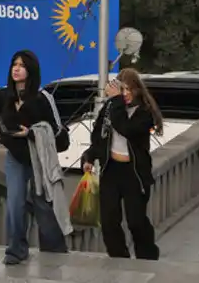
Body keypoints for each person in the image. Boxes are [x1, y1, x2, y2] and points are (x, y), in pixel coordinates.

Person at [0, 50, 69, 265]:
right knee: (14, 203)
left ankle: (53, 250)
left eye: (22, 65)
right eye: (14, 64)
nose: (16, 68)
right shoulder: (2, 96)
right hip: (15, 158)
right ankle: (16, 250)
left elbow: (57, 130)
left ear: (30, 70)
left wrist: (31, 133)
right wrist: (3, 139)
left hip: (39, 157)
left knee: (43, 203)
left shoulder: (43, 98)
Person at [82, 68, 164, 260]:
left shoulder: (144, 113)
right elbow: (99, 137)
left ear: (137, 90)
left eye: (129, 89)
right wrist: (89, 156)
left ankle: (147, 256)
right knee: (109, 221)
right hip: (111, 170)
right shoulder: (111, 109)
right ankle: (119, 257)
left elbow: (126, 128)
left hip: (134, 173)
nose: (125, 94)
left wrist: (116, 100)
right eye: (122, 89)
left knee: (136, 221)